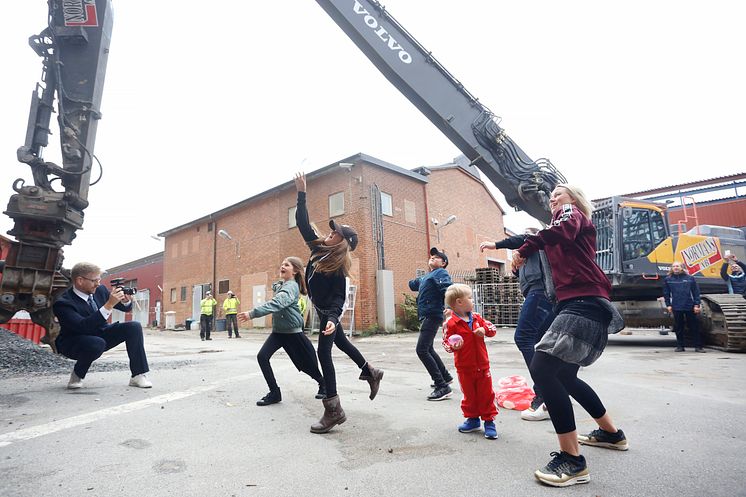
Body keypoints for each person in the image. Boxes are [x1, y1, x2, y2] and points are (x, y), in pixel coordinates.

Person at [513, 184, 627, 488]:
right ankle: (611, 434)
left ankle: (573, 460)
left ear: (573, 199)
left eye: (558, 194)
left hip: (583, 302)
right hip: (581, 302)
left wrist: (524, 250)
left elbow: (558, 231)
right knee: (565, 377)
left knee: (541, 367)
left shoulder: (570, 214)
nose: (553, 199)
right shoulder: (560, 226)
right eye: (551, 196)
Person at [294, 172, 383, 434]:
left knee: (325, 353)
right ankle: (371, 371)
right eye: (333, 231)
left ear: (343, 245)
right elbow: (302, 224)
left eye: (336, 234)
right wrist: (302, 193)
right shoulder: (318, 250)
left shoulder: (338, 270)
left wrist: (332, 320)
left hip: (328, 314)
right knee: (342, 343)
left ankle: (333, 410)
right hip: (324, 313)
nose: (331, 234)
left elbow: (338, 300)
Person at [480, 228, 555, 421]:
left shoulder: (536, 240)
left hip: (539, 292)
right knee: (539, 343)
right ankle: (552, 391)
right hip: (539, 293)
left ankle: (546, 394)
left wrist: (495, 245)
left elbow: (525, 238)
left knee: (523, 337)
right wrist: (516, 269)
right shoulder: (529, 257)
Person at [238, 257, 325, 406]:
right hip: (279, 332)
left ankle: (323, 384)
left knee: (306, 364)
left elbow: (277, 303)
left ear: (295, 270)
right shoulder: (283, 285)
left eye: (287, 265)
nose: (282, 266)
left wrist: (251, 314)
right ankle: (275, 393)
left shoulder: (291, 286)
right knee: (262, 357)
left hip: (292, 333)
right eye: (282, 264)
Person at [53, 262, 152, 389]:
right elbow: (83, 327)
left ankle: (138, 375)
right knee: (96, 343)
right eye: (94, 280)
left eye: (99, 279)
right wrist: (109, 305)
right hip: (74, 341)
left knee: (134, 327)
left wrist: (125, 301)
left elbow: (123, 307)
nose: (98, 284)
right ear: (80, 281)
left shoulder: (100, 290)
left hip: (100, 333)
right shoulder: (63, 303)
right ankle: (77, 374)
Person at [441, 284, 499, 440]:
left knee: (486, 394)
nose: (473, 301)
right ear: (459, 302)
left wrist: (484, 331)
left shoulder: (477, 318)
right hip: (464, 367)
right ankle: (472, 419)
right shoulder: (450, 323)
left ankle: (489, 421)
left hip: (482, 365)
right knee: (469, 395)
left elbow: (492, 328)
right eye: (470, 298)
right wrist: (453, 346)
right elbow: (446, 343)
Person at [408, 247, 454, 401]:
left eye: (437, 257)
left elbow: (447, 289)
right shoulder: (430, 275)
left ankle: (442, 386)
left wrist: (449, 308)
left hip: (432, 314)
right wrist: (419, 279)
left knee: (421, 350)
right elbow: (413, 285)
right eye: (431, 257)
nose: (432, 258)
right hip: (428, 314)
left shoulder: (441, 273)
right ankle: (445, 377)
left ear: (444, 263)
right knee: (428, 348)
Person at [663, 261, 704, 352]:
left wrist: (696, 304)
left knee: (694, 326)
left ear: (682, 267)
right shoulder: (668, 279)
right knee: (679, 327)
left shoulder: (690, 278)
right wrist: (668, 305)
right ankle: (680, 346)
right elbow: (666, 293)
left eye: (677, 266)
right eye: (674, 266)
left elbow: (696, 292)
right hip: (676, 306)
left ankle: (698, 346)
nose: (675, 268)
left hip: (689, 305)